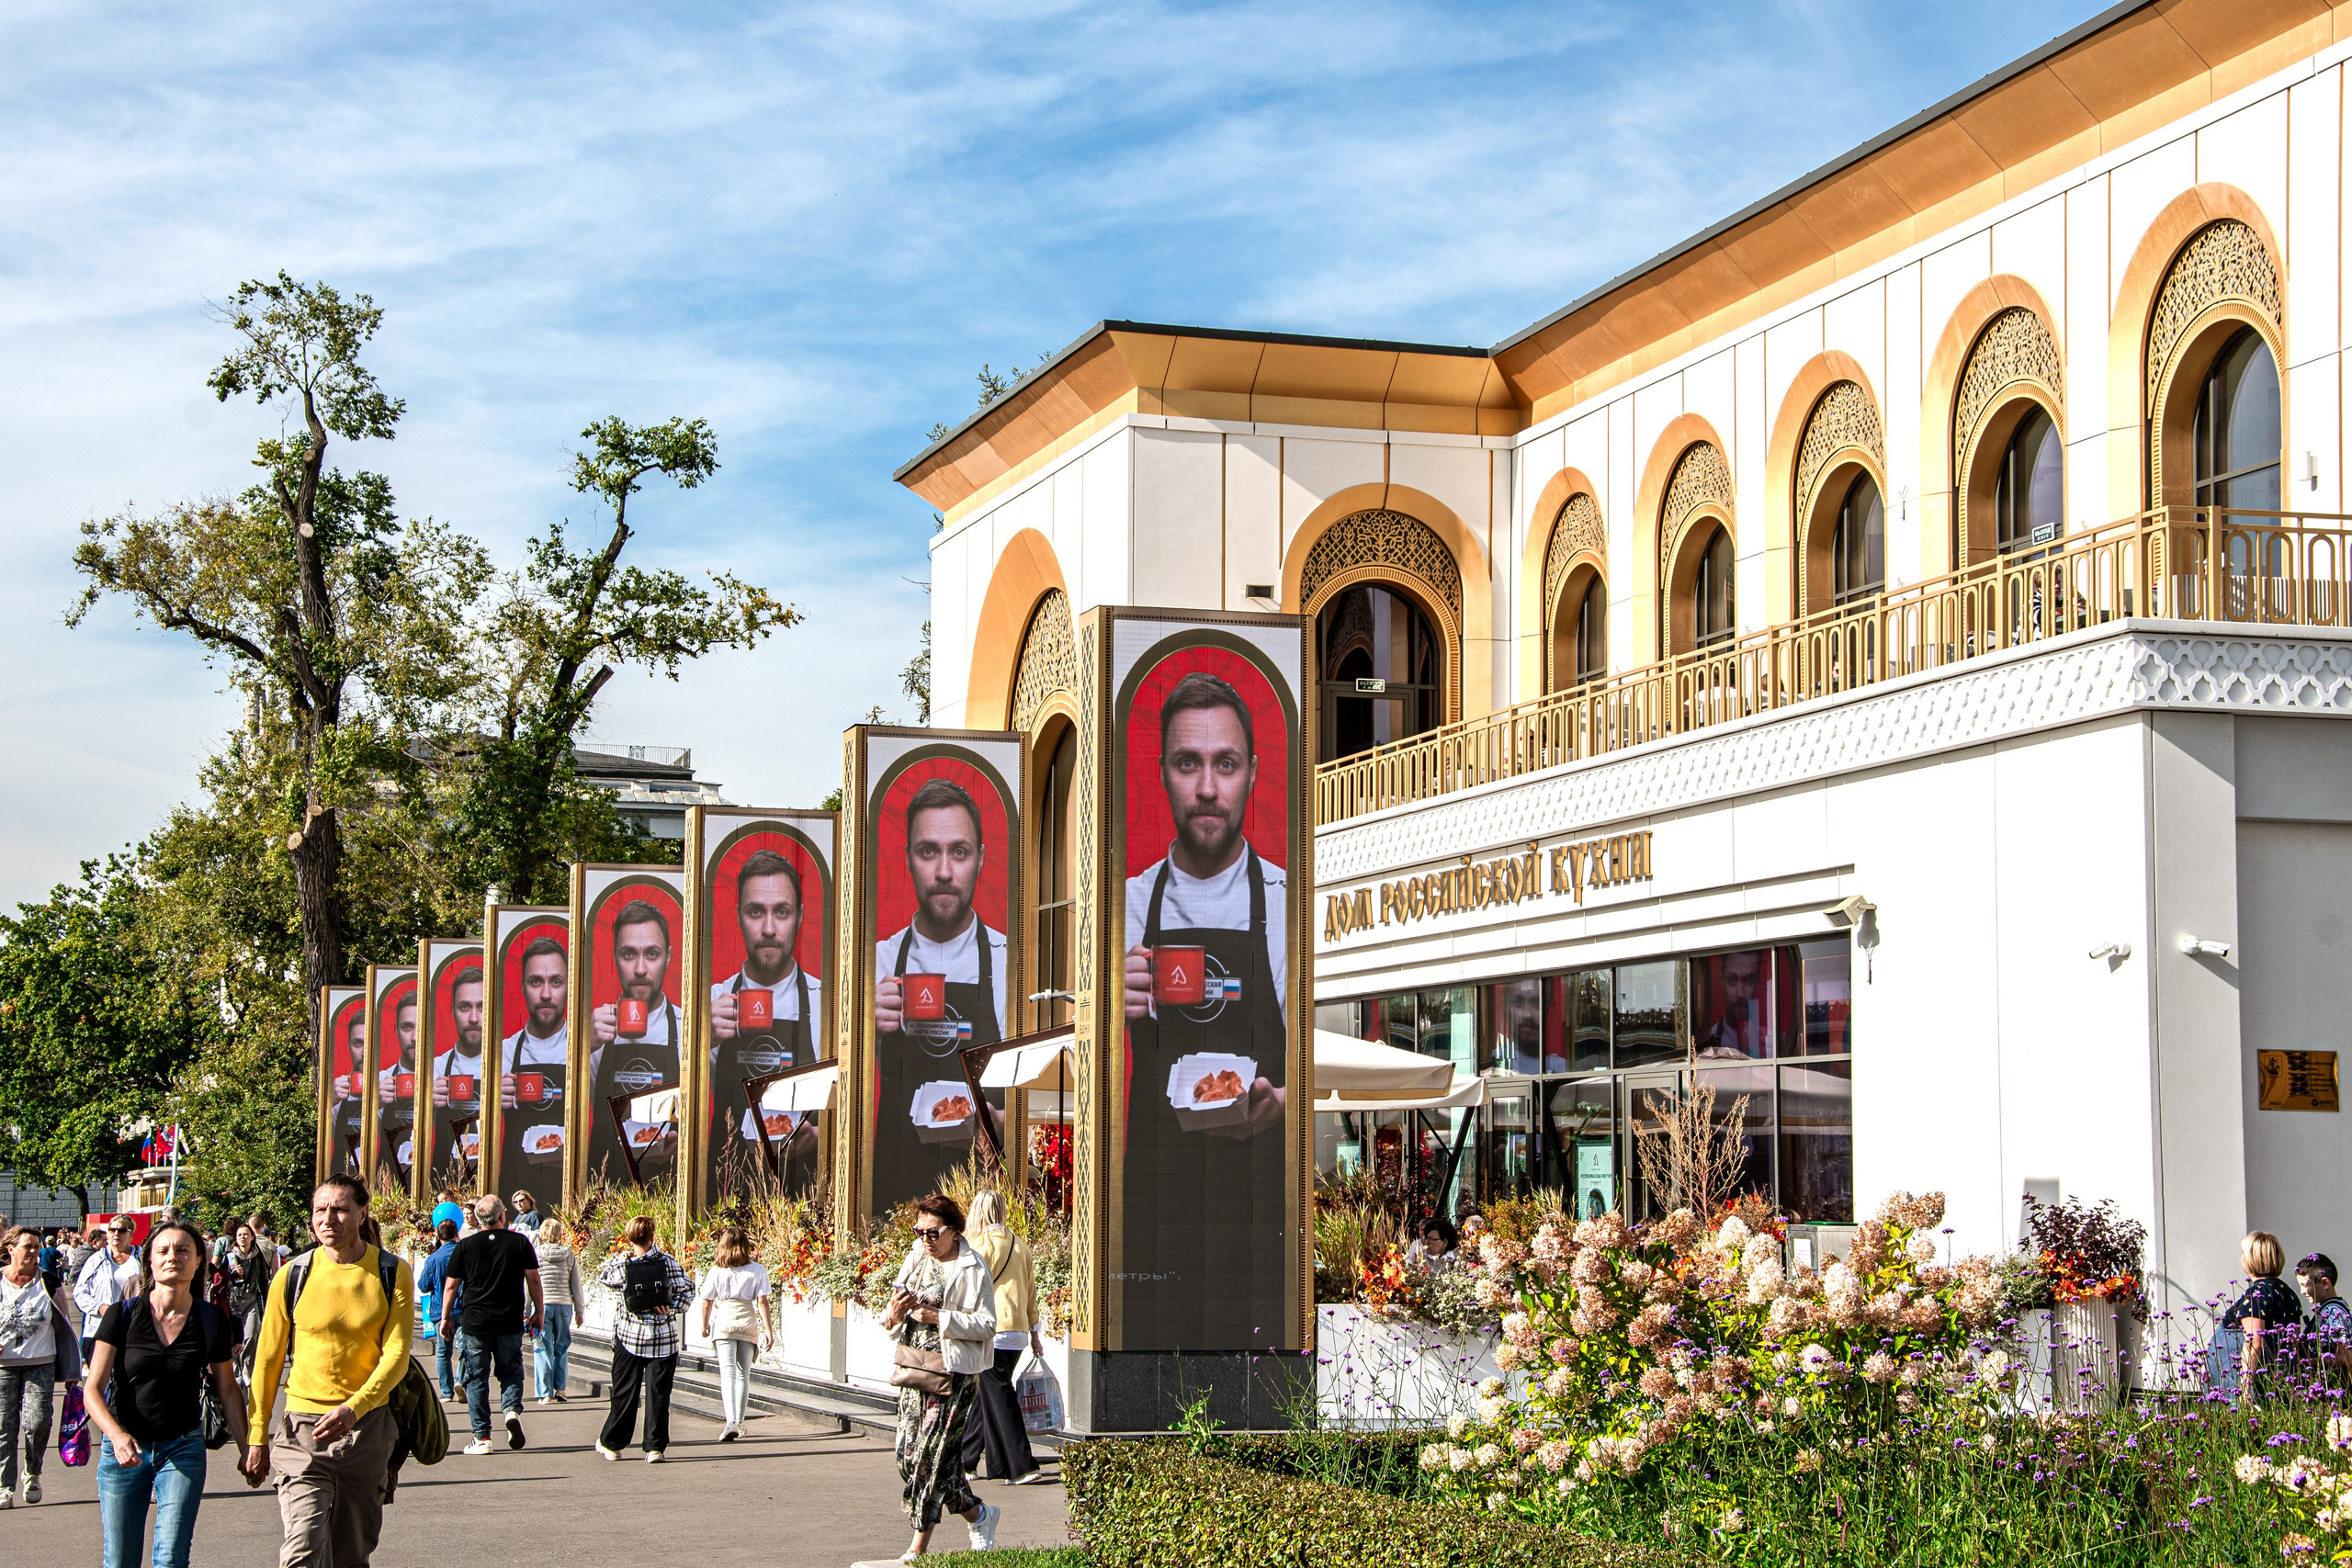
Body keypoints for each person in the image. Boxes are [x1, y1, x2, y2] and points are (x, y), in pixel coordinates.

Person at [1118, 670, 1290, 1348]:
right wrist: (1106, 1004)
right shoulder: (1128, 905)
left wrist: (1284, 1099)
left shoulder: (1285, 902)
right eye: (1189, 763)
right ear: (1163, 773)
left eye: (1226, 763)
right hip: (1157, 1208)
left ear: (1252, 774)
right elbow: (1084, 1053)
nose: (1209, 787)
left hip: (1257, 1211)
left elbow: (1309, 1059)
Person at [247, 1176, 416, 1568]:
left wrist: (354, 1409)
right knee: (303, 1547)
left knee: (351, 1555)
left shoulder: (391, 1272)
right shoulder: (293, 1275)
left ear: (362, 1213)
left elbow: (396, 1355)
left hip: (366, 1429)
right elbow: (268, 1360)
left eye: (339, 1209)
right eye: (320, 1210)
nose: (328, 1219)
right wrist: (257, 1437)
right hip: (303, 1431)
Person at [84, 1219, 253, 1568]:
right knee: (120, 1560)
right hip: (123, 1449)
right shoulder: (122, 1314)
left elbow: (228, 1389)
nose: (172, 1256)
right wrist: (116, 1436)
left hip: (182, 1446)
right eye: (163, 1250)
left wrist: (247, 1449)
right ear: (150, 1260)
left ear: (198, 1261)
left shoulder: (211, 1319)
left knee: (171, 1557)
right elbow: (93, 1390)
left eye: (183, 1250)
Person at [874, 779, 1009, 1205]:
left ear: (981, 859)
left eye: (960, 852)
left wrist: (1006, 1121)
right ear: (908, 859)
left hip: (982, 1191)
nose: (945, 872)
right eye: (929, 851)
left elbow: (1036, 1084)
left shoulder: (1009, 962)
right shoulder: (877, 961)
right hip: (895, 1187)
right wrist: (859, 1027)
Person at [881, 1194, 1000, 1557]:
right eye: (920, 1232)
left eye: (933, 1233)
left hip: (954, 1375)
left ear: (953, 1230)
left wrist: (940, 1318)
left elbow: (987, 1325)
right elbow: (890, 1315)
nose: (925, 1239)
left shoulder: (972, 1266)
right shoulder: (915, 1258)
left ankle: (917, 1547)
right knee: (908, 1459)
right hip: (914, 1367)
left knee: (930, 1460)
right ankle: (978, 1514)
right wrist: (894, 1315)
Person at [709, 851, 825, 1190]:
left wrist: (822, 1133)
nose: (769, 929)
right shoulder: (710, 1002)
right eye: (756, 912)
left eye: (782, 912)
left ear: (800, 916)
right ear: (739, 916)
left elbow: (849, 1099)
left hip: (802, 1188)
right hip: (727, 1186)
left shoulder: (825, 1003)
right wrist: (701, 1040)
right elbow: (679, 1104)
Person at [587, 902, 683, 1183]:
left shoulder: (686, 1028)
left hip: (666, 1186)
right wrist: (583, 1047)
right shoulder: (593, 1031)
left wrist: (682, 1141)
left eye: (651, 954)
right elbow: (567, 1110)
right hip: (605, 1183)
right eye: (629, 954)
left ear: (668, 957)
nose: (640, 969)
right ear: (615, 957)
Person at [439, 1195, 542, 1455]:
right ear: (502, 1216)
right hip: (509, 1320)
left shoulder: (465, 1246)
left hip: (476, 1322)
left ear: (478, 1219)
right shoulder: (520, 1242)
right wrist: (538, 1312)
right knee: (510, 1371)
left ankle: (482, 1436)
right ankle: (511, 1410)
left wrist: (446, 1317)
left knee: (476, 1378)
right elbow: (534, 1280)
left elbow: (451, 1286)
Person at [960, 1191, 1044, 1485]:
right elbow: (1031, 1295)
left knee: (1000, 1396)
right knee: (988, 1396)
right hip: (1017, 1333)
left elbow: (967, 1292)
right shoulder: (1021, 1246)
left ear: (978, 1212)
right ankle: (971, 1461)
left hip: (989, 1332)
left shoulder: (978, 1246)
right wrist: (1035, 1333)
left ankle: (1022, 1466)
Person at [595, 1214, 690, 1461]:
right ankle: (654, 1447)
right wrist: (671, 1308)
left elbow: (605, 1279)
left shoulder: (623, 1265)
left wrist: (621, 1257)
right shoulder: (667, 1262)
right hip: (664, 1338)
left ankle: (613, 1443)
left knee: (624, 1391)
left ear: (629, 1237)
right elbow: (688, 1291)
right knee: (659, 1394)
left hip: (630, 1335)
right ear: (652, 1236)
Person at [2, 1226, 81, 1509]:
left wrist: (71, 1369)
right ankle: (4, 1486)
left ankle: (32, 1472)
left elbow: (64, 1326)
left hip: (41, 1362)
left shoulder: (49, 1281)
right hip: (4, 1366)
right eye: (27, 1246)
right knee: (3, 1427)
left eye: (36, 1246)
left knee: (38, 1423)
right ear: (11, 1249)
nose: (34, 1251)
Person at [499, 936, 570, 1182]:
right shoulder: (504, 1052)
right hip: (516, 1183)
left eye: (556, 982)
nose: (546, 994)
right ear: (522, 987)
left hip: (568, 1183)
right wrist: (492, 1104)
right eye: (536, 982)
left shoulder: (586, 1050)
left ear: (569, 985)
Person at [695, 1224, 771, 1440]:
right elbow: (762, 1302)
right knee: (743, 1375)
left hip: (724, 1322)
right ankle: (740, 1421)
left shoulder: (716, 1271)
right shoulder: (757, 1270)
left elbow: (707, 1301)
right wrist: (769, 1331)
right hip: (747, 1322)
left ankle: (730, 1422)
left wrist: (704, 1324)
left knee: (727, 1374)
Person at [2211, 1229, 2303, 1399]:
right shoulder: (2287, 1292)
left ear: (2251, 1258)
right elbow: (2294, 1342)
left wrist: (2244, 1391)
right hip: (2279, 1379)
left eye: (2243, 1253)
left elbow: (2254, 1343)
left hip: (2256, 1385)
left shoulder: (2257, 1294)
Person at [75, 1219, 144, 1361]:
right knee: (99, 1373)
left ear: (131, 1235)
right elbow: (79, 1292)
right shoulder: (96, 1260)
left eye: (122, 1230)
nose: (116, 1234)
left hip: (133, 1329)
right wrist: (99, 1307)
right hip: (99, 1329)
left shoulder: (142, 1258)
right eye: (112, 1230)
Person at [533, 1219, 584, 1404]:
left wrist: (526, 1309)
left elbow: (530, 1283)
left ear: (542, 1234)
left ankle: (545, 1392)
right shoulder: (569, 1254)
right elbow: (576, 1285)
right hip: (564, 1305)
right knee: (561, 1347)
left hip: (542, 1306)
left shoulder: (536, 1254)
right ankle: (560, 1388)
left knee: (542, 1348)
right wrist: (580, 1311)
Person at [215, 1222, 276, 1377]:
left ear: (252, 1237)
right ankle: (235, 1371)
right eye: (240, 1235)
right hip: (233, 1301)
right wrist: (232, 1274)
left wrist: (267, 1300)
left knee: (250, 1335)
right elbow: (219, 1278)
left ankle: (248, 1372)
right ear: (236, 1238)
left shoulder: (258, 1256)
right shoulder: (230, 1256)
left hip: (251, 1300)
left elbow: (263, 1279)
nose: (243, 1237)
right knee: (234, 1338)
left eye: (246, 1235)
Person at [376, 988, 422, 1187]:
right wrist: (373, 1105)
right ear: (396, 1029)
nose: (414, 1037)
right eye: (407, 1027)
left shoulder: (446, 1075)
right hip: (390, 1184)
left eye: (420, 1027)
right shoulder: (381, 1080)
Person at [414, 1219, 461, 1400]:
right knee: (465, 1348)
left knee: (443, 1352)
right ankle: (461, 1381)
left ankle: (446, 1391)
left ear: (438, 1236)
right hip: (463, 1307)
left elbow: (423, 1285)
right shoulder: (463, 1253)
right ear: (456, 1233)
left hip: (440, 1310)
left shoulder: (433, 1258)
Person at [1696, 950, 1770, 1060]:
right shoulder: (1706, 1044)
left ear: (1757, 982)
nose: (1740, 993)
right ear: (1722, 981)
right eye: (1732, 980)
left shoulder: (1769, 1041)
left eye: (1749, 980)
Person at [2300, 1252, 2352, 1382]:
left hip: (2336, 1385)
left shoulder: (2333, 1312)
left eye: (2305, 1285)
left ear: (2325, 1283)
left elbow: (2346, 1357)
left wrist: (2312, 1361)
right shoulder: (2328, 1309)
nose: (2302, 1292)